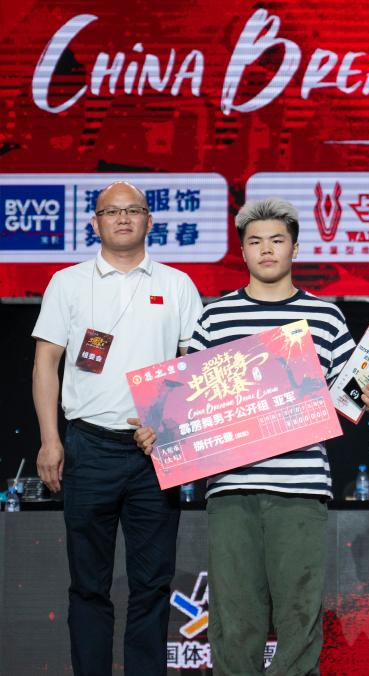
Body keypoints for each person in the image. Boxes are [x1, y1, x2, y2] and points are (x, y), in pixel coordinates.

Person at [134, 198, 369, 675]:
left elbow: (347, 396)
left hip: (300, 486)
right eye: (255, 242)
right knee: (234, 616)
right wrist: (161, 431)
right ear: (243, 252)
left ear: (295, 248)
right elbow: (187, 399)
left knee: (299, 611)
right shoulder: (215, 317)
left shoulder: (326, 317)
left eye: (277, 240)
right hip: (231, 487)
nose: (267, 250)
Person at [32, 180, 203, 675]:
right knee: (89, 584)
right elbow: (46, 363)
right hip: (87, 446)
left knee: (152, 584)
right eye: (111, 211)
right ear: (95, 222)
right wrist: (50, 439)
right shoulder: (67, 282)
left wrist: (170, 424)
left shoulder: (177, 284)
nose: (123, 218)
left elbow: (194, 364)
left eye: (133, 210)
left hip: (156, 450)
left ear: (150, 219)